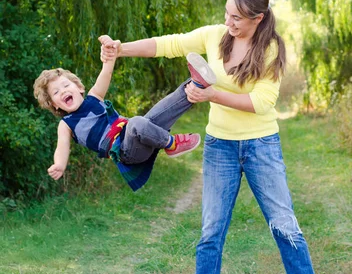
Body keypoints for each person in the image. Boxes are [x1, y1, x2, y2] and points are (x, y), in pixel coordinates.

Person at [100, 0, 339, 274]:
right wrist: (120, 49)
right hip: (219, 146)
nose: (228, 21)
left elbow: (261, 103)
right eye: (227, 13)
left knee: (284, 224)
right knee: (212, 227)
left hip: (261, 145)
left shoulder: (271, 49)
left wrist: (212, 95)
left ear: (257, 18)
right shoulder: (215, 35)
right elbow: (170, 44)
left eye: (237, 18)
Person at [33, 42, 216, 191]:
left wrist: (110, 53)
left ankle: (197, 84)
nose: (63, 91)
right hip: (128, 152)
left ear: (79, 87)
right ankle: (172, 144)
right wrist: (59, 164)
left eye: (66, 85)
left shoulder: (95, 97)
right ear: (54, 104)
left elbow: (107, 72)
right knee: (137, 122)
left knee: (161, 109)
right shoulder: (67, 124)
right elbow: (62, 147)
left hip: (139, 133)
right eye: (56, 92)